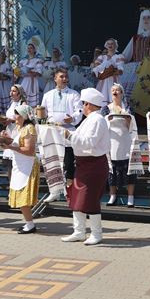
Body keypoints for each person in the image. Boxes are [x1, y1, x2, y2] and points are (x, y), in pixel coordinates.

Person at [62, 88, 110, 245]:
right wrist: (66, 137)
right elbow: (79, 140)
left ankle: (96, 233)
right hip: (84, 164)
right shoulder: (90, 120)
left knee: (89, 199)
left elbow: (89, 142)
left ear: (88, 104)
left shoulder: (97, 120)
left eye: (83, 103)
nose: (82, 106)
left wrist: (70, 135)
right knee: (77, 198)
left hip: (93, 164)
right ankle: (79, 231)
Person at [39, 68, 82, 202]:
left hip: (67, 132)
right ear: (55, 78)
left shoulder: (74, 94)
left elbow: (78, 111)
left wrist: (73, 119)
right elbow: (42, 113)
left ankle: (69, 192)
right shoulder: (48, 95)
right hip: (52, 133)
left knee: (68, 163)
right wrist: (41, 121)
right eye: (61, 76)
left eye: (65, 76)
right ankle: (54, 192)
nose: (64, 79)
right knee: (52, 163)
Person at [1, 104, 40, 234]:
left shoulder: (29, 128)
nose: (15, 117)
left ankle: (30, 224)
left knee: (23, 196)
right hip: (19, 165)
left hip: (27, 165)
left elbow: (29, 150)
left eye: (17, 114)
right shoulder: (21, 128)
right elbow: (17, 144)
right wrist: (6, 139)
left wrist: (11, 147)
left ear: (23, 116)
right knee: (21, 195)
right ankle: (29, 223)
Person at [105, 84, 138, 208]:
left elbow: (132, 125)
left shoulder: (127, 108)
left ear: (122, 93)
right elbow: (103, 123)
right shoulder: (107, 108)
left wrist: (126, 117)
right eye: (113, 90)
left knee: (129, 170)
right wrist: (110, 118)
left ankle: (130, 197)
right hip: (112, 142)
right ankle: (112, 195)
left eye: (117, 90)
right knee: (112, 170)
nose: (115, 92)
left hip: (125, 141)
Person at [2, 84, 26, 161]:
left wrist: (12, 120)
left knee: (16, 155)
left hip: (17, 130)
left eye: (14, 91)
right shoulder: (11, 103)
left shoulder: (23, 104)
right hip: (9, 130)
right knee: (9, 159)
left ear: (19, 93)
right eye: (11, 91)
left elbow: (24, 118)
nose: (11, 93)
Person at [18, 42, 44, 106]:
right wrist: (19, 72)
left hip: (32, 81)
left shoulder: (37, 60)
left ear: (35, 50)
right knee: (23, 96)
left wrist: (30, 72)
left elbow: (39, 73)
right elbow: (19, 72)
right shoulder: (23, 61)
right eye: (28, 48)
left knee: (31, 99)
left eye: (31, 48)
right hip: (24, 80)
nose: (29, 49)